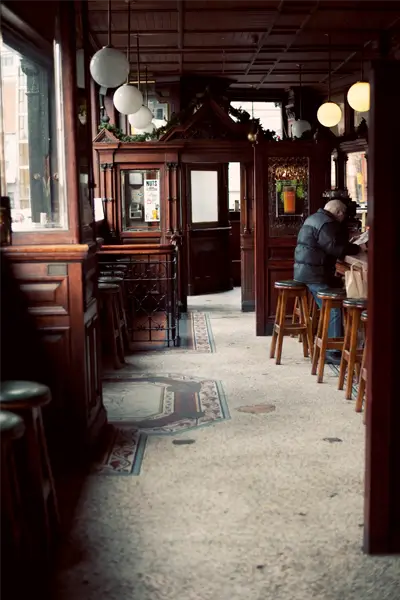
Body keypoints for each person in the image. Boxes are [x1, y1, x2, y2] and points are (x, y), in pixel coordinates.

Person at [293, 199, 363, 364]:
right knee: (333, 308)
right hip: (314, 274)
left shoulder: (314, 218)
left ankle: (327, 340)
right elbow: (336, 248)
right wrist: (358, 248)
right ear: (339, 212)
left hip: (304, 272)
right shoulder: (327, 223)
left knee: (330, 302)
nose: (343, 218)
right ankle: (332, 350)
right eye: (343, 215)